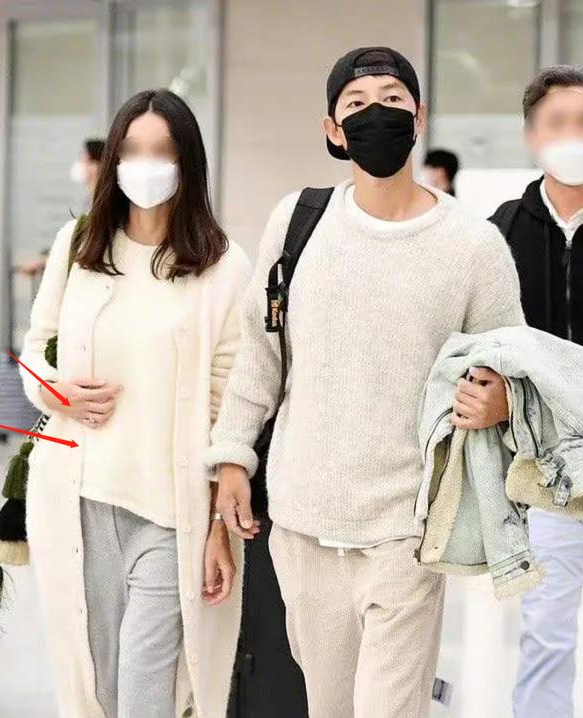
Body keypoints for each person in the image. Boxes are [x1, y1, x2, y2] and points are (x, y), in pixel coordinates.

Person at [205, 46, 524, 718]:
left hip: (408, 530)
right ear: (332, 128)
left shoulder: (473, 246)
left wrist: (501, 401)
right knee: (329, 707)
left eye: (392, 99)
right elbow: (261, 355)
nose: (375, 113)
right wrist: (233, 457)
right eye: (356, 103)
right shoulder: (298, 222)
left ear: (420, 116)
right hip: (304, 524)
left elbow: (510, 364)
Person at [19, 89, 251, 718]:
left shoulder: (224, 267)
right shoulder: (78, 246)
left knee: (146, 693)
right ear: (114, 160)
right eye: (133, 150)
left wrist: (217, 530)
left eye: (163, 151)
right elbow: (35, 351)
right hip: (80, 501)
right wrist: (56, 391)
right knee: (99, 688)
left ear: (188, 163)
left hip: (171, 513)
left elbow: (230, 405)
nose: (146, 165)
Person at [489, 65, 583, 718]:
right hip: (550, 472)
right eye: (558, 123)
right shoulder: (499, 232)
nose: (573, 136)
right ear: (531, 135)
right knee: (548, 631)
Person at [18, 139, 106, 277]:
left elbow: (84, 248)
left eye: (83, 160)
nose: (79, 165)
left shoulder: (102, 204)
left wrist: (42, 263)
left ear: (96, 166)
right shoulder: (91, 200)